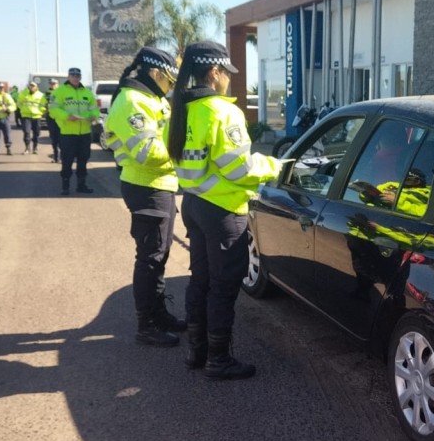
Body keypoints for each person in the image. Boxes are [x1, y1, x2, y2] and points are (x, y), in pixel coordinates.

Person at [167, 41, 284, 380]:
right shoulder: (221, 111)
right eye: (227, 74)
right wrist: (274, 165)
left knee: (200, 280)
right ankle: (218, 359)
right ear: (214, 72)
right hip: (222, 210)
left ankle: (197, 351)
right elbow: (238, 169)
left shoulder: (180, 109)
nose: (230, 81)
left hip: (193, 203)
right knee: (223, 286)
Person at [105, 46, 183, 347]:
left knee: (160, 254)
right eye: (169, 80)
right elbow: (147, 152)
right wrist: (183, 153)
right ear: (155, 73)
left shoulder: (151, 99)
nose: (171, 85)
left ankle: (159, 314)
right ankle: (146, 325)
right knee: (150, 258)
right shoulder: (132, 101)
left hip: (160, 184)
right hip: (146, 185)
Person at [50, 67, 100, 195]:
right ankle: (65, 186)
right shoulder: (60, 91)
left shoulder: (87, 92)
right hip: (68, 133)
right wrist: (67, 116)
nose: (75, 77)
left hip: (84, 133)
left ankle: (81, 185)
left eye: (77, 75)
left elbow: (94, 108)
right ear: (68, 77)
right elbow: (53, 110)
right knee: (67, 160)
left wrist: (93, 115)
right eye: (73, 75)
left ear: (80, 77)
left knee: (83, 159)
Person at [17, 81, 47, 154]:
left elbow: (43, 105)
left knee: (36, 133)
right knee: (26, 132)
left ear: (36, 87)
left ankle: (35, 147)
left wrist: (41, 111)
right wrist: (23, 109)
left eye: (33, 86)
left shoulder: (41, 95)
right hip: (26, 116)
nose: (32, 87)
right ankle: (27, 148)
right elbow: (19, 103)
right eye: (30, 85)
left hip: (36, 116)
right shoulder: (23, 94)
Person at [44, 78, 61, 163]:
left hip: (61, 118)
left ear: (58, 84)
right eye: (51, 84)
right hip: (50, 118)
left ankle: (63, 157)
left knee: (62, 138)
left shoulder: (62, 93)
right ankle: (56, 157)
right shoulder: (46, 94)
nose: (53, 85)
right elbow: (42, 104)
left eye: (54, 83)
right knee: (54, 138)